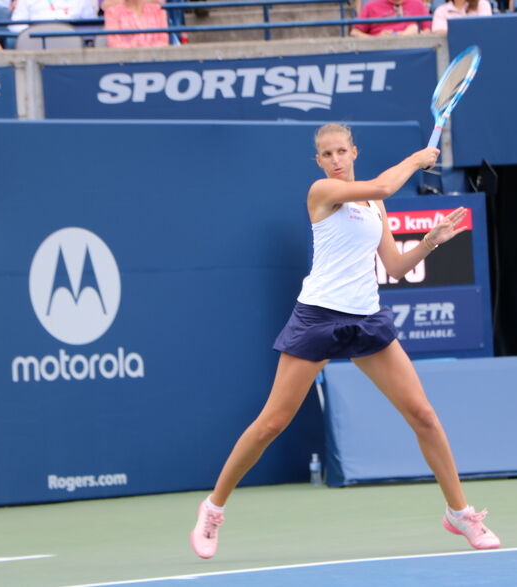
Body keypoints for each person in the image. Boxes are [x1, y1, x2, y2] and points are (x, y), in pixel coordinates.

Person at [189, 123, 500, 559]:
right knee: (272, 423)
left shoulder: (374, 201)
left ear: (355, 151)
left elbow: (392, 267)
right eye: (327, 154)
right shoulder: (323, 192)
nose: (335, 160)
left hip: (367, 318)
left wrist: (430, 241)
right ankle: (213, 507)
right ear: (318, 161)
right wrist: (415, 159)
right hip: (318, 318)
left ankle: (459, 513)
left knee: (423, 415)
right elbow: (387, 182)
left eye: (341, 152)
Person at [102, 0, 168, 48]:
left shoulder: (158, 10)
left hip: (155, 61)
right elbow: (114, 43)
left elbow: (163, 40)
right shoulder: (112, 12)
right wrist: (136, 53)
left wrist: (146, 52)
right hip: (125, 62)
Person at [8, 0, 97, 33]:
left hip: (73, 46)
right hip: (36, 46)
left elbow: (91, 25)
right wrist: (32, 33)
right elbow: (15, 25)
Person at [351, 0, 430, 37]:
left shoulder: (417, 3)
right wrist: (376, 39)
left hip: (413, 48)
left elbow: (428, 31)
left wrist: (415, 33)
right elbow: (355, 32)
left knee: (413, 28)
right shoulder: (371, 5)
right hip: (380, 49)